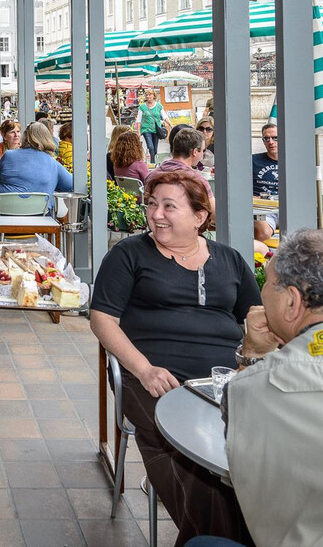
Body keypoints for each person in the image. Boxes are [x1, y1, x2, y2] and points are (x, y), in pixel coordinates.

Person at [90, 170, 261, 547]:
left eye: (169, 205)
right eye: (152, 204)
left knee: (257, 451)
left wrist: (252, 362)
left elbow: (258, 316)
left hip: (223, 382)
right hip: (152, 380)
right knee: (193, 460)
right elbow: (102, 319)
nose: (156, 214)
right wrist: (144, 369)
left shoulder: (229, 260)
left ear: (200, 217)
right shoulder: (129, 255)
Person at [221, 229, 323, 547]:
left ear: (292, 302)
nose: (261, 291)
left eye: (265, 282)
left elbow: (234, 431)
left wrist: (253, 355)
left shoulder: (254, 388)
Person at [0, 122, 73, 234]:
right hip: (39, 221)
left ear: (25, 137)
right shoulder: (52, 163)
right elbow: (70, 185)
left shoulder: (8, 155)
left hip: (2, 218)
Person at [146, 128, 215, 220]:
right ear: (194, 152)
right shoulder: (196, 180)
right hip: (184, 228)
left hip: (156, 224)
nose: (203, 154)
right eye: (202, 150)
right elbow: (213, 213)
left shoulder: (152, 175)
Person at [252, 123, 279, 242]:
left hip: (288, 208)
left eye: (275, 138)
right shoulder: (253, 160)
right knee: (263, 233)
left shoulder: (292, 161)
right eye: (266, 138)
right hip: (262, 208)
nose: (271, 142)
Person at [136, 89, 171, 164]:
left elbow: (164, 116)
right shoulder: (142, 107)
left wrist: (171, 125)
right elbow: (138, 120)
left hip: (156, 129)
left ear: (154, 96)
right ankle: (152, 163)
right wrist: (138, 132)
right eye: (147, 95)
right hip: (146, 129)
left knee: (155, 149)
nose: (148, 96)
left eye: (150, 94)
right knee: (150, 147)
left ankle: (154, 163)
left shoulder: (158, 106)